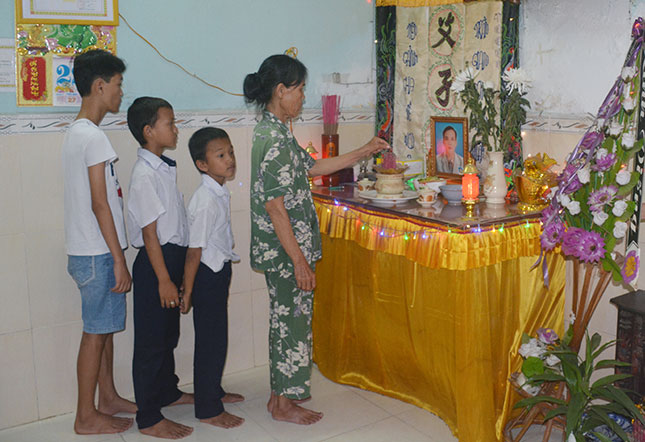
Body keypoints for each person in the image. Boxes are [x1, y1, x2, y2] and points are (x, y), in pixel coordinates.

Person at [243, 54, 389, 425]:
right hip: (285, 253)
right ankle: (285, 404)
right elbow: (275, 207)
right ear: (281, 91)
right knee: (291, 323)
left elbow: (314, 167)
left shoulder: (276, 131)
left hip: (285, 251)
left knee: (285, 321)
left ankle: (280, 399)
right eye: (300, 89)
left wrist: (364, 151)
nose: (303, 97)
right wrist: (299, 261)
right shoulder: (271, 138)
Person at [62, 49, 136, 436]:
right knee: (95, 334)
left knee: (103, 329)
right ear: (100, 85)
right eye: (119, 84)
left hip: (87, 250)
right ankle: (85, 415)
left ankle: (107, 397)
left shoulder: (76, 132)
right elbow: (99, 202)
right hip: (97, 252)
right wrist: (119, 259)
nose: (121, 92)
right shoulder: (92, 137)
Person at [126, 97, 193, 439]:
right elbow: (150, 233)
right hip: (156, 266)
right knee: (151, 342)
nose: (175, 128)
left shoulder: (162, 167)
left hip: (171, 260)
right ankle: (149, 417)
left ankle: (168, 391)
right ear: (149, 131)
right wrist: (165, 280)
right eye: (170, 123)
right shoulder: (143, 175)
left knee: (168, 334)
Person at [181, 127, 245, 429]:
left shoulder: (217, 190)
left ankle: (214, 390)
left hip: (218, 272)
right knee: (210, 342)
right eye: (221, 155)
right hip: (205, 277)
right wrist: (188, 291)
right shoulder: (205, 199)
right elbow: (194, 252)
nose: (229, 159)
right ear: (202, 164)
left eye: (230, 152)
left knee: (217, 338)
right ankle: (208, 408)